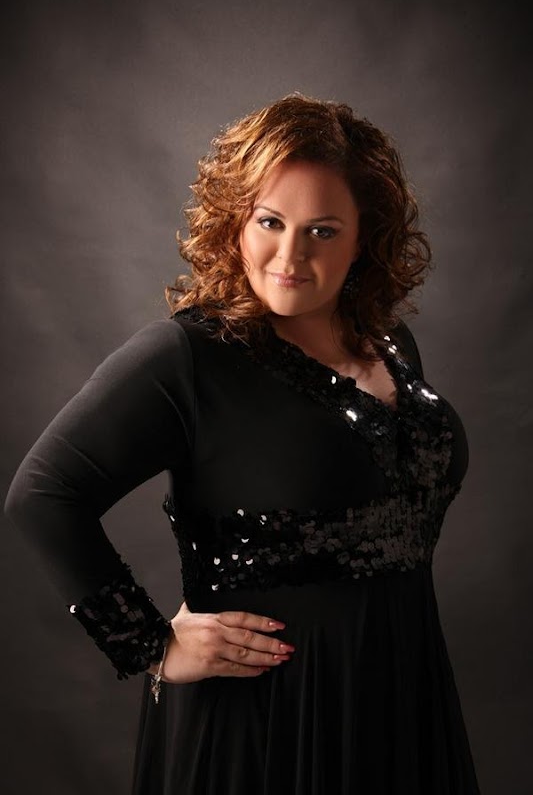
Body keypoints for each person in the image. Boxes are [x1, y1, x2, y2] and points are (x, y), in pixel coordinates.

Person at [4, 93, 481, 794]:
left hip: (397, 695)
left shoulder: (390, 343)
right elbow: (43, 495)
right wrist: (150, 645)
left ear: (363, 238)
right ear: (236, 220)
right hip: (262, 722)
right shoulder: (187, 357)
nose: (290, 255)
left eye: (322, 231)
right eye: (269, 221)